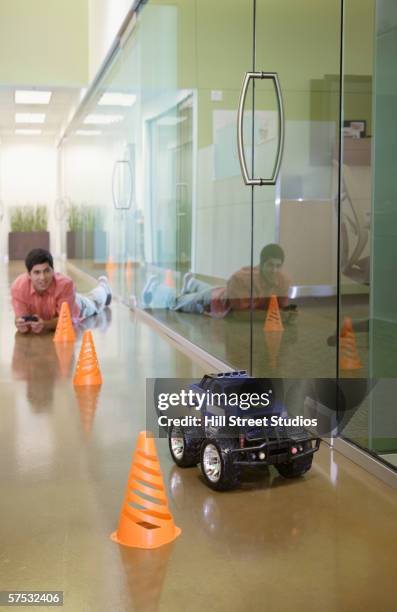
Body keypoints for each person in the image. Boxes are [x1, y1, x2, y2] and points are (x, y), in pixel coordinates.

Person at [141, 243, 294, 319]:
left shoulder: (283, 280)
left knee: (217, 290)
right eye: (270, 265)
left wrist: (287, 313)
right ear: (261, 264)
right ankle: (154, 288)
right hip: (213, 303)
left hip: (224, 292)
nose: (274, 270)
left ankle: (192, 284)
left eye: (278, 266)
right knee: (177, 302)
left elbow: (282, 308)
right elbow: (239, 314)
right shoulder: (242, 278)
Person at [11, 248, 112, 334]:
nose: (42, 277)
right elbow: (20, 318)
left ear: (53, 270)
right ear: (29, 274)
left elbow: (66, 320)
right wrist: (19, 323)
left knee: (94, 302)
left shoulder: (66, 284)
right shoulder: (18, 288)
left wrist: (45, 325)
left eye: (46, 271)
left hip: (77, 306)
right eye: (37, 272)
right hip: (63, 302)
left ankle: (103, 287)